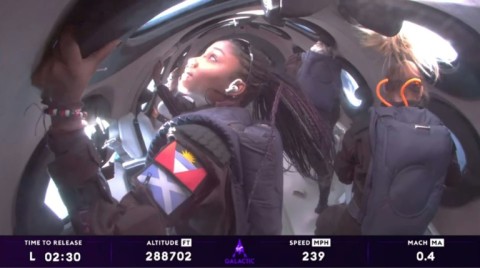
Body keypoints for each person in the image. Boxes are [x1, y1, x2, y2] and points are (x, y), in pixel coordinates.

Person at [32, 29, 334, 235]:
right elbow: (196, 120)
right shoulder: (238, 124)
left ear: (235, 88)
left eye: (211, 58)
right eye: (200, 54)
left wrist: (67, 114)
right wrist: (162, 87)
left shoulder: (192, 154)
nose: (193, 60)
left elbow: (109, 233)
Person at [315, 30, 462, 235]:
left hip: (361, 226)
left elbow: (344, 175)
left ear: (384, 88)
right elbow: (453, 180)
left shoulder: (364, 128)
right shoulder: (442, 133)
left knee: (326, 224)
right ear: (420, 91)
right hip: (411, 230)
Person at [284, 41, 342, 214]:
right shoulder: (333, 67)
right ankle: (323, 201)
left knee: (309, 151)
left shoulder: (301, 64)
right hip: (323, 122)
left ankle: (308, 167)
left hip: (304, 118)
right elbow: (334, 103)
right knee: (322, 161)